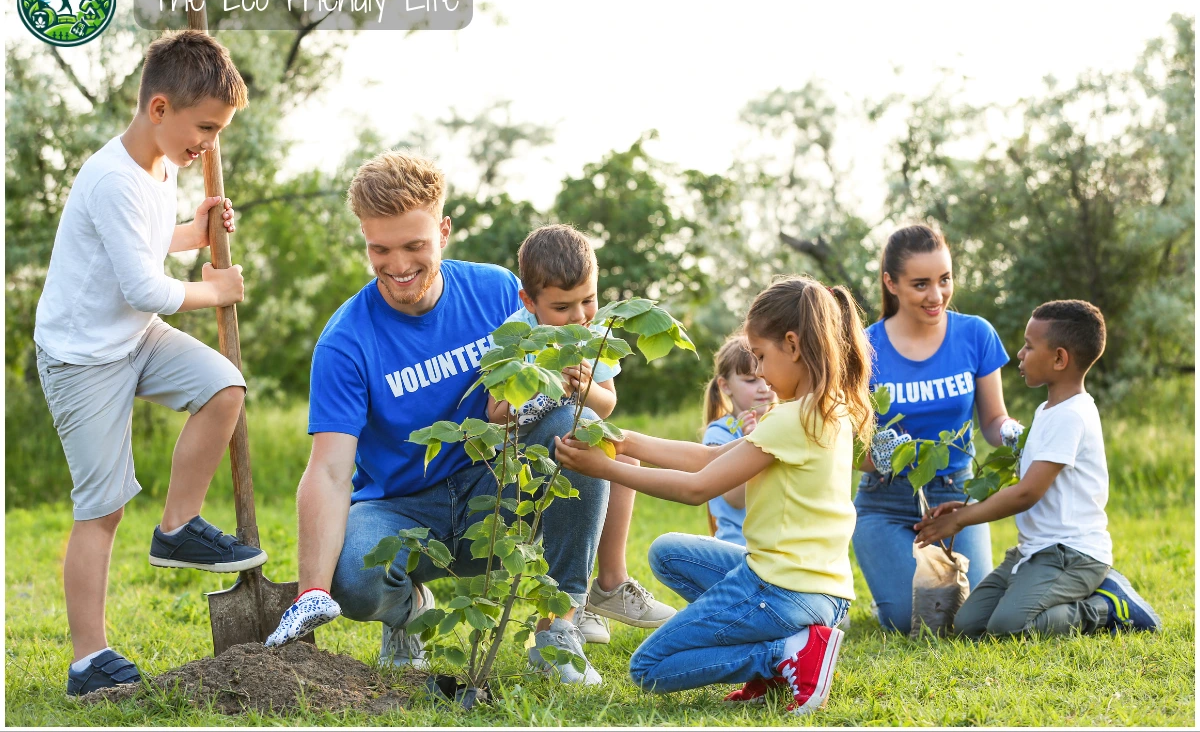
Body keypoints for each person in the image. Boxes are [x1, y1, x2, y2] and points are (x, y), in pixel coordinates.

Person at [264, 152, 610, 685]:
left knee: (581, 425)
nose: (398, 265)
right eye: (379, 248)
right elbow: (330, 472)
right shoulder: (345, 342)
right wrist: (312, 590)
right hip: (402, 509)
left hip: (494, 490)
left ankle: (559, 626)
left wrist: (543, 397)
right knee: (352, 575)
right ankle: (409, 613)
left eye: (414, 246)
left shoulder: (498, 293)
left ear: (443, 231)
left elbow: (575, 385)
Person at [33, 30, 256, 697]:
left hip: (132, 338)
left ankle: (179, 527)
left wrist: (199, 229)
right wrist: (215, 288)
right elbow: (145, 288)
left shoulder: (160, 167)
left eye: (217, 131)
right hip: (83, 356)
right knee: (100, 509)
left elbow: (153, 246)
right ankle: (86, 660)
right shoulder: (110, 179)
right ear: (159, 108)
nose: (208, 144)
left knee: (223, 385)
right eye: (205, 128)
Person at [556, 276, 871, 717]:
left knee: (650, 667)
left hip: (782, 588)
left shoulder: (789, 420)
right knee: (668, 553)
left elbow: (697, 488)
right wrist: (624, 440)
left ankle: (782, 655)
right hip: (820, 590)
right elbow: (713, 456)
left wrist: (604, 468)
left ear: (794, 345)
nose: (758, 371)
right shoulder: (824, 408)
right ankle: (784, 655)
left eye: (760, 357)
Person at [915, 301, 1161, 636]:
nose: (1019, 353)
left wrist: (959, 520)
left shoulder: (1072, 415)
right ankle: (1047, 591)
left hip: (1072, 554)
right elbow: (1028, 483)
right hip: (1034, 551)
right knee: (968, 624)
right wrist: (966, 506)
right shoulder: (1048, 409)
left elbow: (1028, 493)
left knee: (1008, 628)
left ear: (1060, 359)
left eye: (1029, 346)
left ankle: (1104, 607)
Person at [489, 224, 676, 646]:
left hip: (573, 448)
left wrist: (586, 387)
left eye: (588, 300)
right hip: (521, 463)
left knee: (622, 455)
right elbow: (496, 412)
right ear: (529, 302)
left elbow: (607, 403)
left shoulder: (594, 335)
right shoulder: (516, 337)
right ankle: (566, 611)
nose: (578, 317)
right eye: (561, 307)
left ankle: (607, 586)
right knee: (591, 440)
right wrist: (546, 378)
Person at [853, 224, 1022, 634]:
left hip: (958, 498)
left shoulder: (975, 335)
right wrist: (881, 454)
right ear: (890, 283)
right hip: (885, 502)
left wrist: (1021, 436)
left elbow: (994, 421)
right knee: (905, 620)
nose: (937, 295)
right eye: (921, 284)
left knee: (967, 617)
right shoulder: (864, 348)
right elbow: (853, 448)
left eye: (944, 280)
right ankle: (892, 590)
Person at [701, 334, 777, 546]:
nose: (763, 387)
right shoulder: (718, 434)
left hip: (774, 549)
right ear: (725, 386)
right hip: (737, 549)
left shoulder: (781, 423)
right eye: (751, 380)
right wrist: (752, 441)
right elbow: (735, 499)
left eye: (767, 377)